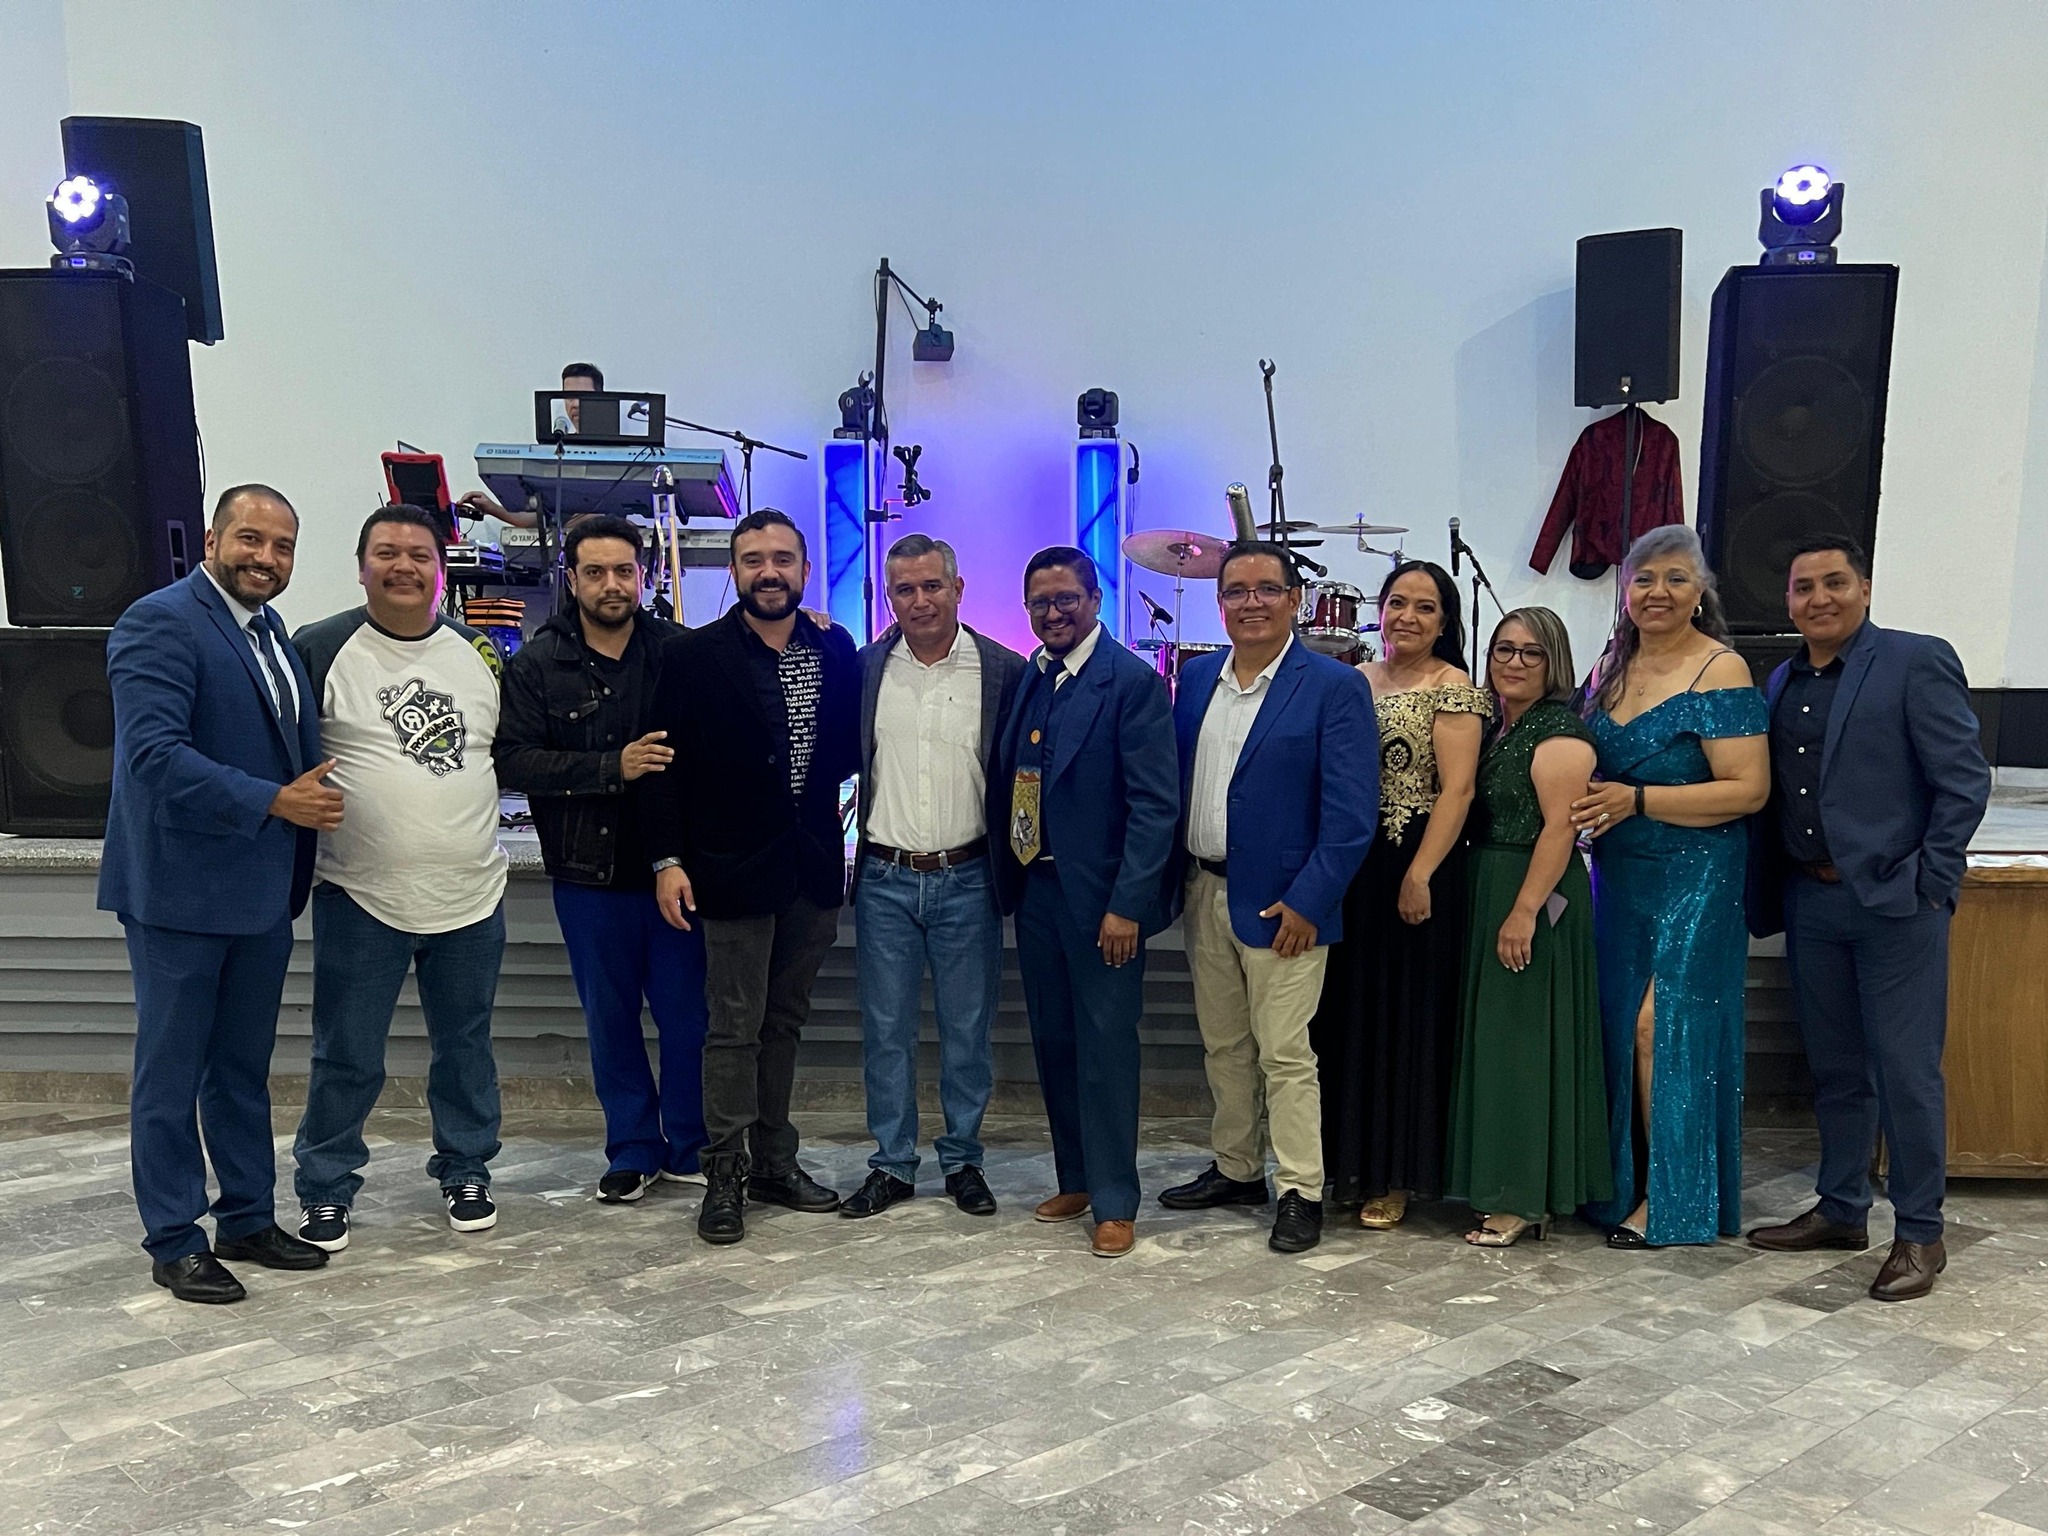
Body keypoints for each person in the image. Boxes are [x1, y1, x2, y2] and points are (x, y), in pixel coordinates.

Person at [100, 485, 334, 1303]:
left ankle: (246, 1217)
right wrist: (274, 802)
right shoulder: (159, 622)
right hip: (180, 894)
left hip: (262, 893)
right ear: (211, 540)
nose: (265, 558)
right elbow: (153, 757)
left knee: (241, 1070)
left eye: (282, 546)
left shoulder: (272, 634)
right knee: (170, 1075)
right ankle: (174, 1238)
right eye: (250, 539)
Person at [1745, 535, 1989, 1301]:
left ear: (1865, 588)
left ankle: (1920, 1233)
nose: (1818, 598)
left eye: (1834, 582)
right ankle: (1842, 1208)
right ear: (1788, 601)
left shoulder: (1915, 660)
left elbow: (1964, 781)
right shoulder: (1781, 679)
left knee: (1906, 1072)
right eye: (1803, 587)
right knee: (1838, 1069)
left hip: (1895, 905)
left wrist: (1930, 882)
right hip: (1812, 900)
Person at [289, 505, 511, 1251]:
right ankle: (325, 1186)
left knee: (466, 1049)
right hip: (361, 895)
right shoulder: (320, 647)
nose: (404, 566)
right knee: (346, 1052)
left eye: (420, 554)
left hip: (470, 893)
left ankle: (467, 1168)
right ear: (361, 567)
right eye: (387, 552)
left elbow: (504, 752)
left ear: (441, 570)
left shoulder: (479, 652)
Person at [638, 508, 861, 1245]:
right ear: (734, 571)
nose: (770, 572)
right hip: (728, 869)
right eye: (754, 560)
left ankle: (773, 1162)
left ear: (805, 570)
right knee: (733, 1027)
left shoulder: (834, 648)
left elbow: (847, 747)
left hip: (812, 867)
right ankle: (724, 1173)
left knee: (783, 1022)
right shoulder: (691, 656)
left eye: (783, 559)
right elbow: (661, 767)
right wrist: (667, 860)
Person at [1157, 542, 1376, 1253]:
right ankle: (1237, 1168)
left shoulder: (1334, 686)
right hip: (1204, 888)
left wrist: (1310, 901)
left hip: (1286, 906)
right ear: (1219, 602)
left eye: (1267, 589)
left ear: (1295, 599)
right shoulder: (1196, 679)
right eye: (1237, 591)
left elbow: (1351, 815)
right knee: (1223, 1044)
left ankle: (1300, 1189)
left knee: (1284, 1052)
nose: (1251, 602)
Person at [494, 513, 708, 1204]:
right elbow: (513, 760)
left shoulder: (679, 652)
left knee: (689, 1021)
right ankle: (632, 1149)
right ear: (572, 579)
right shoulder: (537, 664)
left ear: (643, 576)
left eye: (623, 571)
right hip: (588, 877)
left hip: (676, 875)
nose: (611, 584)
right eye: (595, 572)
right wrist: (611, 766)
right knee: (610, 1023)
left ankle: (691, 1144)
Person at [1572, 525, 1769, 1248]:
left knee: (1661, 1028)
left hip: (1698, 871)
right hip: (1621, 872)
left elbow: (1748, 790)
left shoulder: (1721, 668)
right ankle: (1619, 1184)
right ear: (1626, 591)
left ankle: (1673, 1198)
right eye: (1645, 579)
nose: (1658, 592)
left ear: (1701, 593)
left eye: (1676, 578)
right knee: (1618, 1025)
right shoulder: (1609, 666)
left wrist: (1638, 800)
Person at [990, 547, 1177, 1258]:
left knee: (1106, 1049)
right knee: (1055, 1042)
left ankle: (1116, 1200)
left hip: (1103, 904)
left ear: (1095, 600)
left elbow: (1155, 806)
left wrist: (1128, 905)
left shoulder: (1129, 682)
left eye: (1066, 598)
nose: (1053, 612)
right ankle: (1075, 1177)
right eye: (1040, 602)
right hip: (1038, 891)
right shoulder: (1031, 677)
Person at [841, 534, 1026, 1220]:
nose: (919, 601)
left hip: (968, 875)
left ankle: (963, 1159)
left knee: (967, 1031)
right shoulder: (865, 669)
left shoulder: (1003, 671)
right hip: (885, 877)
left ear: (958, 588)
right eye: (904, 590)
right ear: (890, 597)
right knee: (885, 1032)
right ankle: (892, 1163)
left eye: (931, 586)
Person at [1309, 560, 1488, 1229]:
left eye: (1425, 606)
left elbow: (1458, 791)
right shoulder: (1353, 679)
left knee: (1405, 1017)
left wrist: (1419, 874)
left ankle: (1397, 1176)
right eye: (1397, 603)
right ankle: (1347, 1166)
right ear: (1378, 611)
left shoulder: (1453, 686)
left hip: (1418, 863)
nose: (1407, 616)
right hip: (1353, 865)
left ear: (1444, 622)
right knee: (1347, 1013)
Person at [1445, 609, 1611, 1245]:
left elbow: (1560, 829)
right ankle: (1499, 1180)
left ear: (1554, 663)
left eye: (1531, 653)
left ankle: (1519, 1198)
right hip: (1489, 882)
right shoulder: (1497, 726)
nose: (1514, 662)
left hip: (1531, 890)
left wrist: (1523, 911)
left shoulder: (1559, 735)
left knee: (1520, 1044)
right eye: (1503, 649)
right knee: (1497, 1041)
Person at [457, 362, 605, 529]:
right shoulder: (559, 452)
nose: (575, 404)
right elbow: (539, 517)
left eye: (583, 396)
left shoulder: (621, 451)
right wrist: (491, 507)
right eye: (569, 397)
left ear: (601, 399)